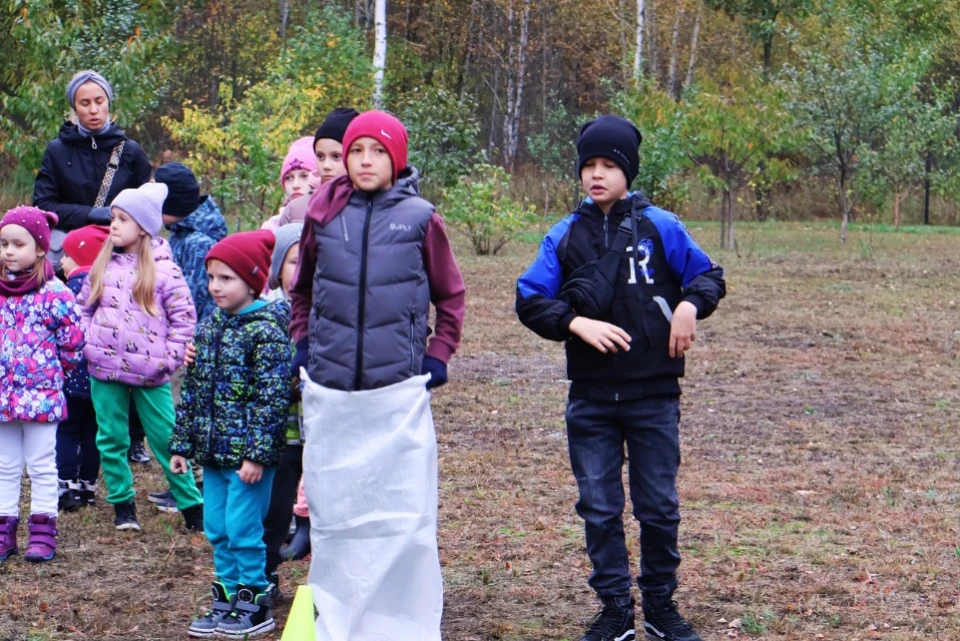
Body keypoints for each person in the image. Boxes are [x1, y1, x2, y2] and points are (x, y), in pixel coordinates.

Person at [515, 115, 726, 641]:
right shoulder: (563, 235)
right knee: (599, 506)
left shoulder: (663, 227)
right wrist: (575, 322)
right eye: (589, 165)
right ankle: (613, 607)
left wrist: (688, 307)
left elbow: (708, 275)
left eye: (609, 164)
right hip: (590, 399)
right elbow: (529, 299)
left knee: (658, 505)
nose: (597, 174)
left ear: (628, 170)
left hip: (654, 393)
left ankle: (659, 604)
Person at [290, 110, 465, 640]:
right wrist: (303, 343)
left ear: (397, 159)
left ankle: (399, 616)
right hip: (334, 386)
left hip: (397, 387)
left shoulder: (419, 218)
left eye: (378, 152)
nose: (366, 161)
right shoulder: (324, 214)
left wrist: (438, 352)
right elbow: (302, 289)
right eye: (357, 151)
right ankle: (342, 607)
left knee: (398, 508)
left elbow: (450, 294)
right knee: (338, 506)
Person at [169, 230, 290, 639]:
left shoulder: (267, 332)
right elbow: (194, 392)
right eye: (212, 277)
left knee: (243, 530)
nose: (215, 287)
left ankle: (254, 603)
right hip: (213, 455)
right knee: (218, 528)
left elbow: (272, 400)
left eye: (226, 278)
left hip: (247, 460)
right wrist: (183, 444)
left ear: (253, 281)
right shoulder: (210, 327)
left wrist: (256, 455)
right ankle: (226, 597)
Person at [79, 183, 203, 533]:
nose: (113, 225)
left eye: (122, 219)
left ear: (144, 227)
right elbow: (84, 308)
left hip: (152, 372)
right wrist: (89, 342)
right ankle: (122, 504)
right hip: (104, 368)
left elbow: (183, 319)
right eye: (113, 218)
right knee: (112, 437)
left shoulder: (164, 270)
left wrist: (170, 358)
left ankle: (191, 504)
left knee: (165, 437)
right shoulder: (102, 265)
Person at [0, 207, 84, 563]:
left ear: (39, 249)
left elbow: (73, 342)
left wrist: (50, 375)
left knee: (41, 464)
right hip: (2, 396)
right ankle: (4, 528)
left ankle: (43, 528)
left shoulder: (55, 294)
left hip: (41, 397)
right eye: (3, 243)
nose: (8, 251)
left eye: (17, 244)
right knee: (5, 464)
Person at [261, 223, 306, 590]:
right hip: (283, 433)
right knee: (274, 511)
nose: (304, 267)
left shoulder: (334, 315)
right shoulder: (267, 316)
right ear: (277, 271)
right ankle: (265, 573)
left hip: (324, 430)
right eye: (294, 261)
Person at [56, 224, 111, 511]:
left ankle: (67, 486)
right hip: (101, 379)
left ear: (80, 257)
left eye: (65, 255)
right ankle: (89, 487)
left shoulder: (66, 291)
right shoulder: (110, 289)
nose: (61, 261)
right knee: (93, 433)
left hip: (71, 377)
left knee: (66, 430)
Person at [261, 137, 317, 232]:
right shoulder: (272, 228)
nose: (295, 185)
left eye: (304, 176)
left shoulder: (337, 220)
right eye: (288, 178)